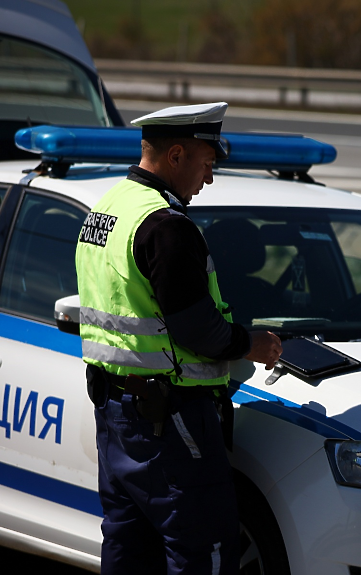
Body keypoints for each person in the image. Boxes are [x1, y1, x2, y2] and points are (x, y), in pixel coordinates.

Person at [75, 102, 282, 575]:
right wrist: (254, 345)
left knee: (129, 545)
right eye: (207, 164)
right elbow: (198, 332)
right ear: (175, 155)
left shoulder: (106, 207)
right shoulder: (166, 226)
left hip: (117, 412)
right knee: (201, 548)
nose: (208, 179)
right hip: (170, 421)